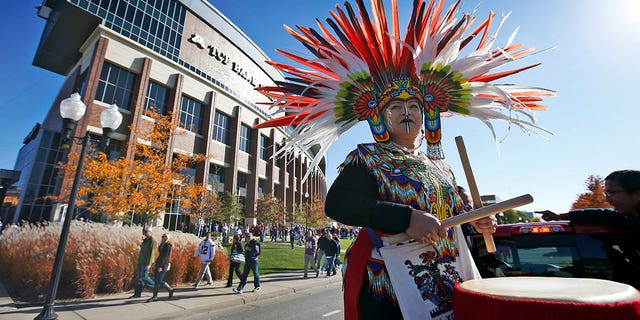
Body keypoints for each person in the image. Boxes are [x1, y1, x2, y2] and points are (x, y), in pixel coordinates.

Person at [251, 0, 551, 318]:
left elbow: (459, 213)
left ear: (426, 115)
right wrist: (406, 218)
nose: (406, 112)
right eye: (395, 106)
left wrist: (478, 222)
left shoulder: (442, 167)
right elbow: (338, 205)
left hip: (447, 275)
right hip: (388, 285)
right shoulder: (367, 157)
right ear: (381, 118)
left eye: (414, 106)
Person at [538, 169, 640, 288]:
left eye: (612, 193)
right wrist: (559, 217)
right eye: (606, 194)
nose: (607, 199)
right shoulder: (625, 218)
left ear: (638, 193)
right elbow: (599, 215)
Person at [130, 227, 156, 298]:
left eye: (146, 231)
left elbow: (152, 253)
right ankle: (137, 294)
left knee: (144, 277)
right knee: (139, 278)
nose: (144, 233)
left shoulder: (153, 241)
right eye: (144, 231)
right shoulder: (145, 240)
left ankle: (156, 286)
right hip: (141, 260)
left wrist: (149, 264)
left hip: (146, 262)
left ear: (150, 232)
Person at [147, 233, 174, 302]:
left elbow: (165, 257)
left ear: (167, 237)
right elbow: (160, 255)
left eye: (165, 237)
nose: (163, 238)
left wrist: (160, 266)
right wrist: (155, 263)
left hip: (163, 264)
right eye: (162, 236)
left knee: (159, 280)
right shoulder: (162, 244)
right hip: (159, 263)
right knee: (156, 280)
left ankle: (170, 289)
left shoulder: (168, 245)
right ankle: (155, 296)